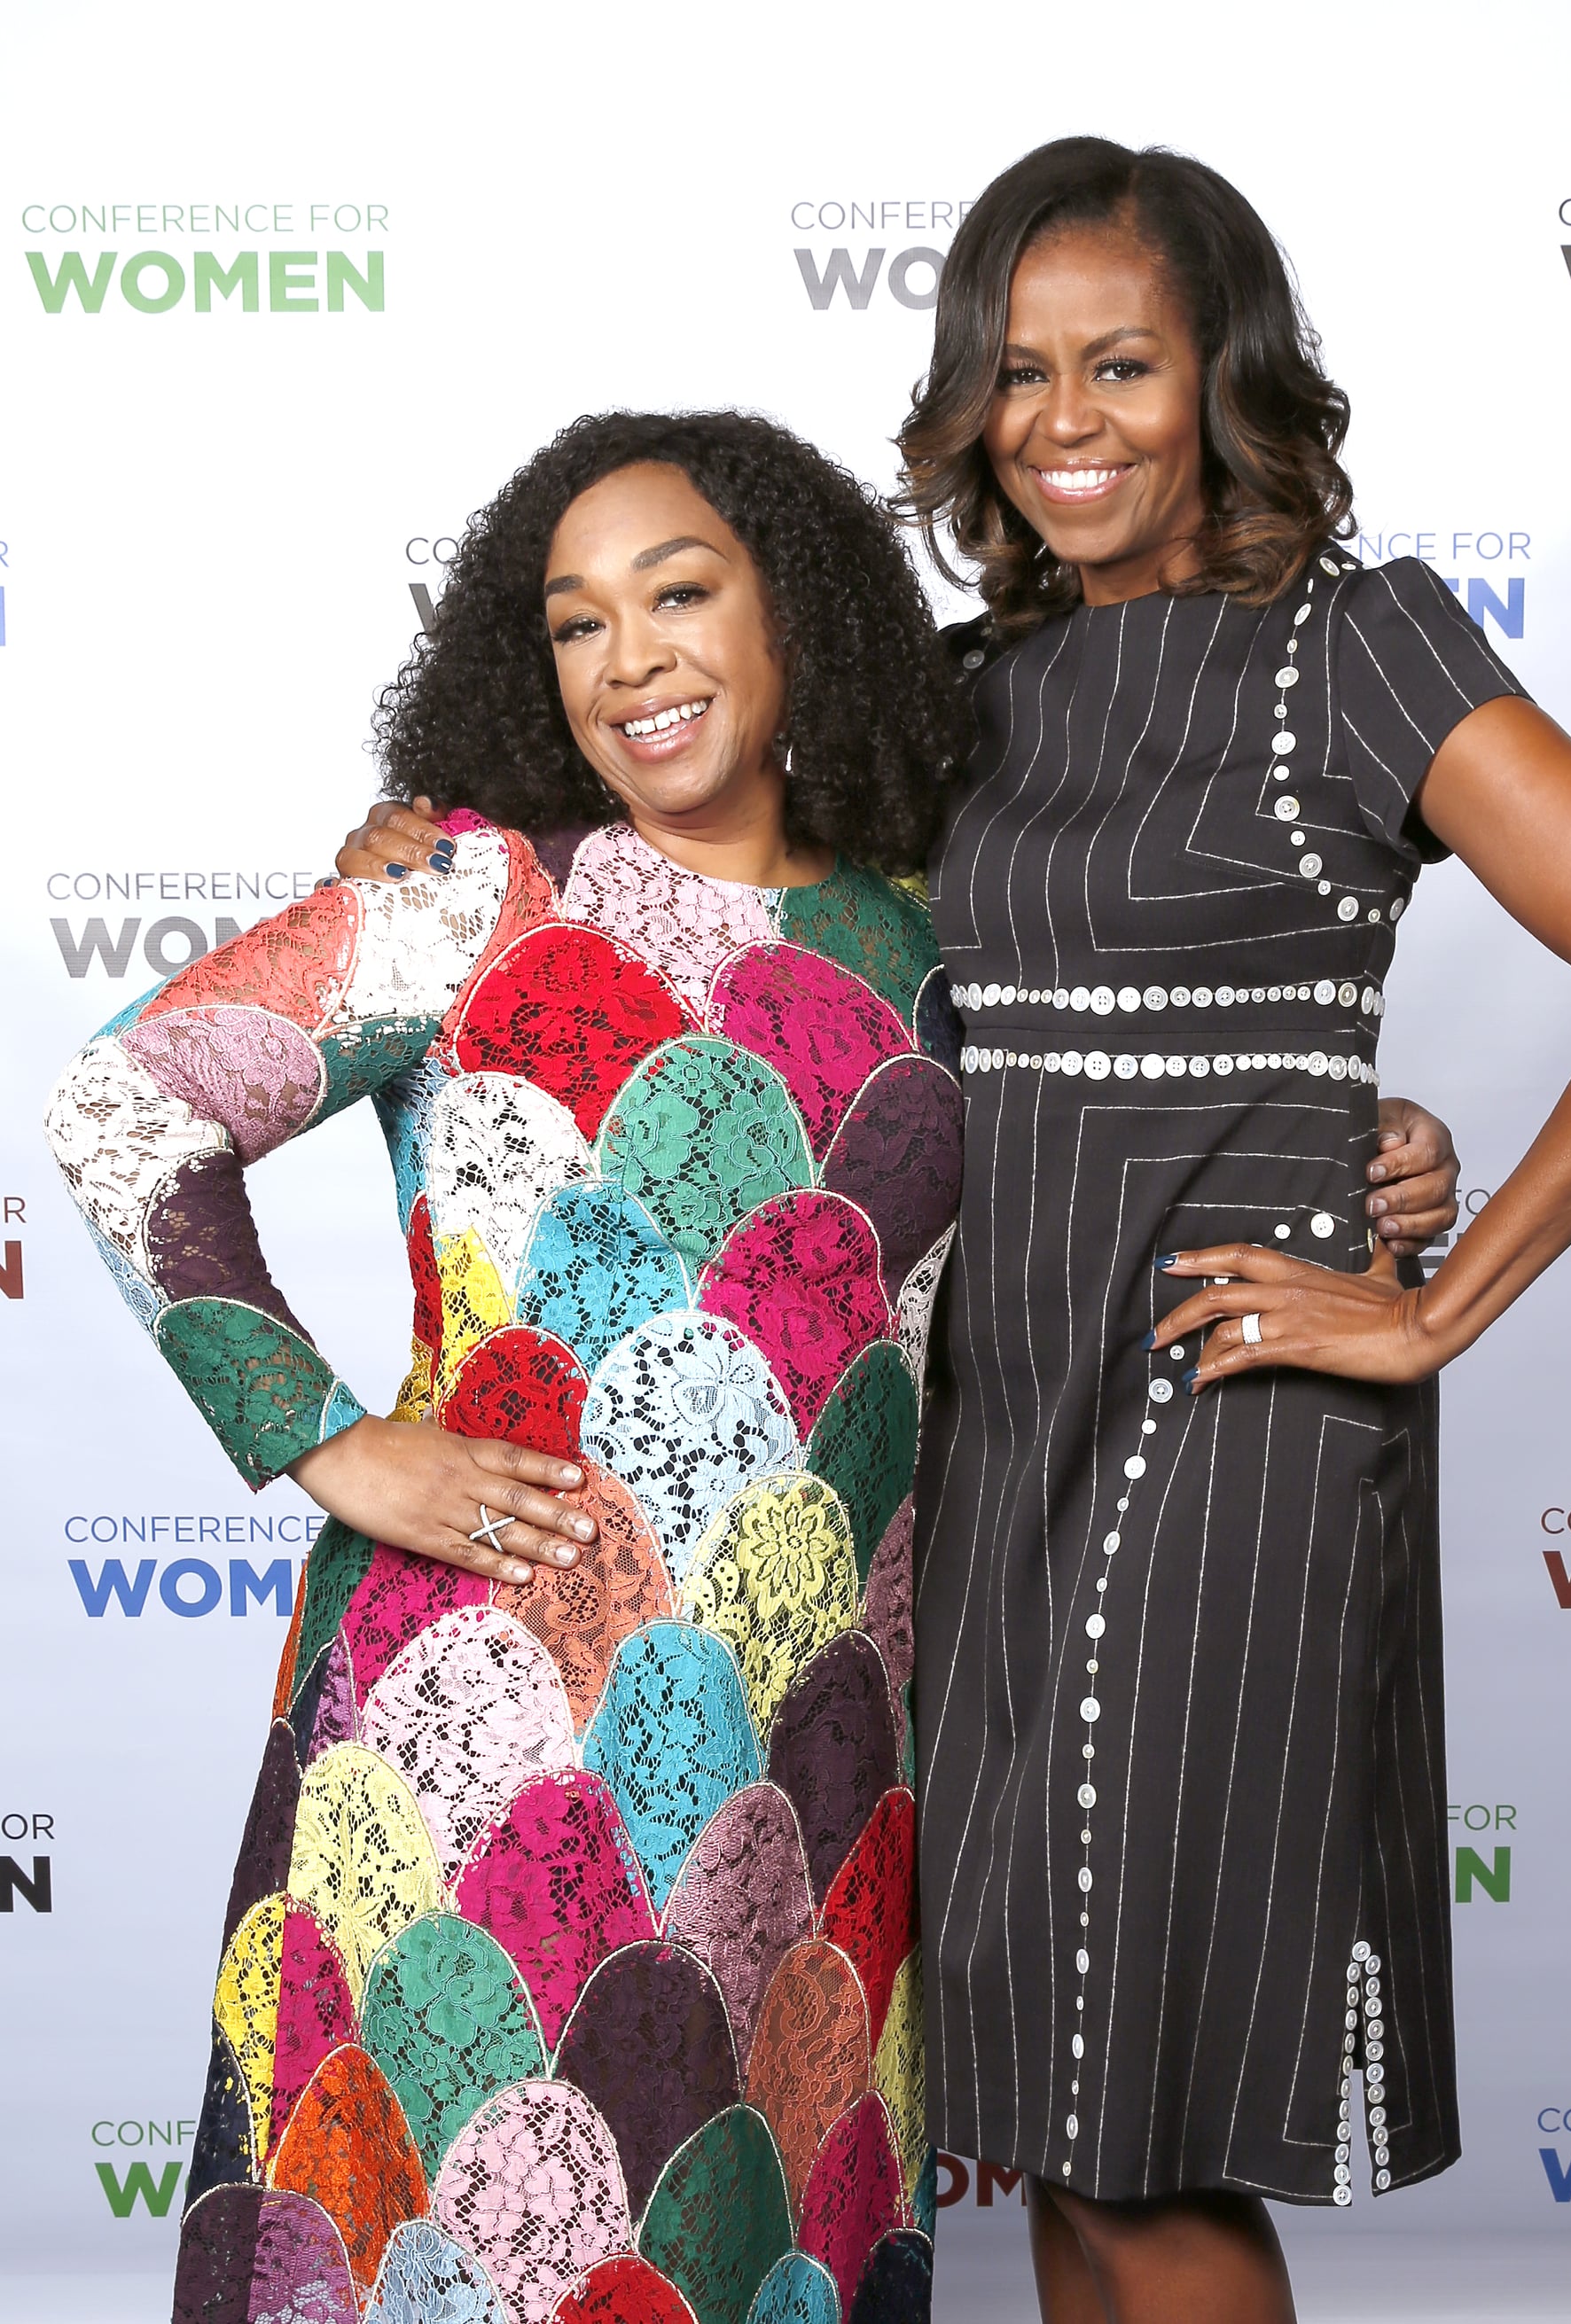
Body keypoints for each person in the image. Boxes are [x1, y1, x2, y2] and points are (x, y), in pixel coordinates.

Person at [886, 137, 1571, 2324]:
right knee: (1051, 2108)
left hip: (1224, 1422)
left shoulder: (1350, 645)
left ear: (1225, 378)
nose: (1068, 421)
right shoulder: (956, 691)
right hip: (993, 1427)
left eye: (1123, 364)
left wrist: (1429, 1313)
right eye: (1019, 373)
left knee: (1155, 2109)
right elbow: (727, 889)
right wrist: (416, 829)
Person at [46, 411, 968, 2324]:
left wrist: (1377, 1162)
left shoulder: (934, 927)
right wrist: (319, 1437)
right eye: (575, 623)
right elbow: (131, 1104)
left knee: (753, 2249)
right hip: (492, 1747)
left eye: (681, 594)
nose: (628, 658)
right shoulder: (469, 896)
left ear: (801, 612)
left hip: (826, 1756)